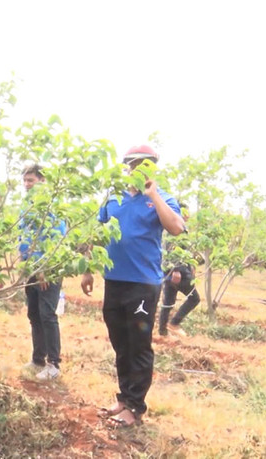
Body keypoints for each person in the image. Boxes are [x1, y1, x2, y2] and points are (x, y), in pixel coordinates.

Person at [81, 145, 185, 426]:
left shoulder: (162, 199)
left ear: (153, 169)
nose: (139, 169)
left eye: (146, 165)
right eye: (134, 164)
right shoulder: (113, 199)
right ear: (126, 167)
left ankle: (135, 408)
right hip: (114, 282)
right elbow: (98, 234)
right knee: (121, 343)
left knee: (138, 345)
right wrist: (88, 270)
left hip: (143, 285)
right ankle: (123, 399)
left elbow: (176, 227)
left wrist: (153, 195)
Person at [18, 164, 66, 381]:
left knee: (47, 314)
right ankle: (38, 359)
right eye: (25, 181)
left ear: (42, 181)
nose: (28, 185)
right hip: (30, 268)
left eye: (31, 180)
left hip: (48, 269)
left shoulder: (51, 206)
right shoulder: (26, 206)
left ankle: (53, 364)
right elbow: (23, 236)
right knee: (34, 313)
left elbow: (56, 239)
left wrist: (44, 269)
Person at [158, 204, 200, 336]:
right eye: (185, 212)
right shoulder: (177, 228)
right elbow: (172, 248)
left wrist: (191, 265)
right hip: (178, 272)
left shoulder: (172, 227)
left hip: (169, 270)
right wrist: (176, 269)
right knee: (194, 298)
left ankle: (163, 332)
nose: (188, 215)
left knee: (168, 302)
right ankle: (174, 323)